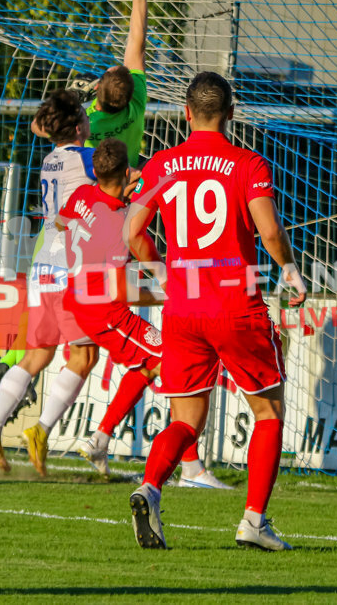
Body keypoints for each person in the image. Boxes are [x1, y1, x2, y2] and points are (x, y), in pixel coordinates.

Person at [124, 72, 307, 551]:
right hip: (235, 305)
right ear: (231, 112)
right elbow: (268, 232)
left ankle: (150, 487)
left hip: (183, 310)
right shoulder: (247, 162)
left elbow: (132, 233)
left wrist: (161, 272)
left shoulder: (162, 163)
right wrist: (289, 269)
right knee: (268, 412)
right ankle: (253, 521)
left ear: (186, 113)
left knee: (185, 420)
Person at [0, 0, 154, 385]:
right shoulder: (137, 105)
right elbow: (137, 45)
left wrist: (78, 98)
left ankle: (11, 363)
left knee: (41, 303)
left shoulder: (86, 124)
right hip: (113, 218)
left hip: (65, 225)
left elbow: (41, 128)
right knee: (121, 295)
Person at [59, 138, 227, 489]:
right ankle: (192, 468)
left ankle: (100, 440)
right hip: (103, 309)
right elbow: (119, 292)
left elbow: (62, 224)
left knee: (150, 363)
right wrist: (168, 294)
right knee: (173, 357)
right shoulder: (119, 224)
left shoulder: (83, 195)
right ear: (125, 172)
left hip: (76, 297)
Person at [0, 89, 100, 474]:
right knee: (85, 355)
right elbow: (122, 176)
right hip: (72, 268)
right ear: (79, 126)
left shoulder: (49, 161)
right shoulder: (88, 158)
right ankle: (40, 430)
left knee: (38, 354)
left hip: (45, 263)